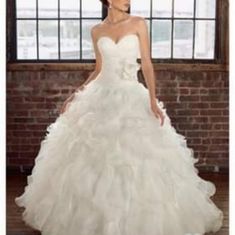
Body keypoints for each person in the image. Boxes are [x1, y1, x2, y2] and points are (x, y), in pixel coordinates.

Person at [15, 0, 224, 234]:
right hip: (100, 95)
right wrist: (74, 95)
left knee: (136, 159)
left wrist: (153, 100)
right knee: (91, 157)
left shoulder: (138, 23)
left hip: (131, 94)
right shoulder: (97, 30)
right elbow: (99, 68)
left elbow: (146, 63)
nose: (128, 0)